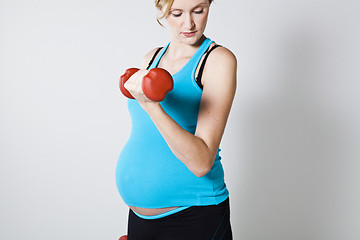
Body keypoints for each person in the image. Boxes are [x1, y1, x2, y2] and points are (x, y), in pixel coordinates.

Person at [115, 0, 237, 239]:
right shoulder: (151, 59)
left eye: (199, 11)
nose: (189, 23)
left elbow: (201, 163)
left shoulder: (217, 60)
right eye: (177, 13)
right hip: (140, 219)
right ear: (161, 10)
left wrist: (151, 106)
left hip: (194, 216)